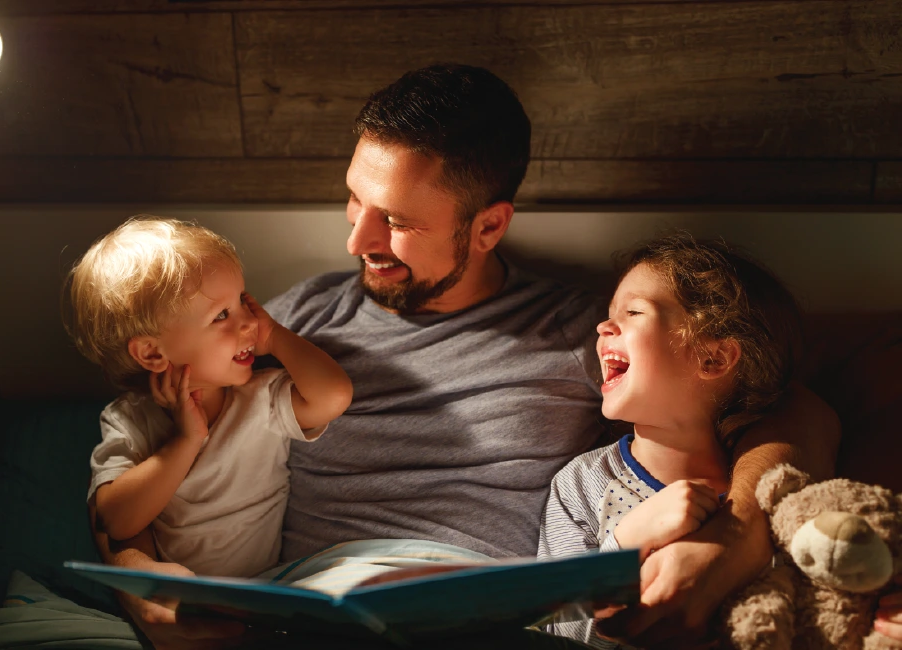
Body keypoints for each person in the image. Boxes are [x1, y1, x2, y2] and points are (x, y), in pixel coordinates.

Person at [91, 64, 864, 650]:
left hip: (487, 618)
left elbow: (803, 409)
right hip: (313, 611)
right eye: (354, 199)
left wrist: (734, 540)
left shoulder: (582, 335)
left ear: (488, 227)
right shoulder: (290, 324)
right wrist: (139, 579)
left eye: (395, 221)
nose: (356, 240)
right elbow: (144, 438)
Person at [538, 234, 804, 648]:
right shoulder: (580, 485)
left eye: (633, 312)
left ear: (712, 359)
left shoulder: (771, 488)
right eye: (610, 314)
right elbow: (557, 633)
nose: (603, 326)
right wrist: (626, 544)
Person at [66, 216, 353, 580]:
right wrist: (186, 441)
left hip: (265, 586)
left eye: (242, 303)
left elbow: (335, 395)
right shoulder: (130, 419)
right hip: (185, 599)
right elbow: (116, 522)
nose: (249, 322)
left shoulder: (259, 397)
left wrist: (275, 337)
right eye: (221, 315)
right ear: (153, 354)